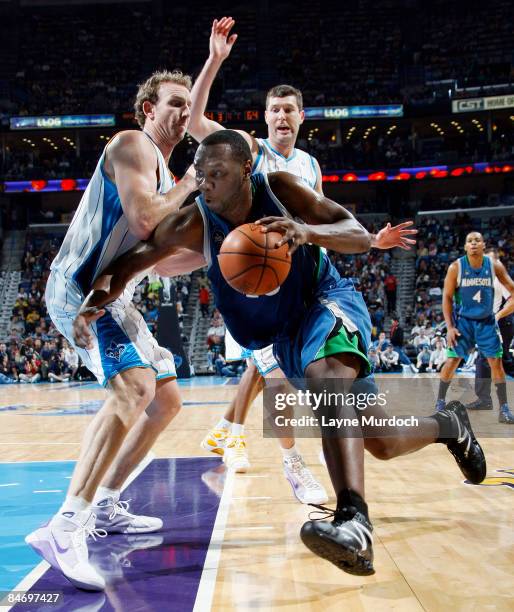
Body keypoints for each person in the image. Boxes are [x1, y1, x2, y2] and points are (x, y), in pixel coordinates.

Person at [72, 130, 486, 576]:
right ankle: (448, 425)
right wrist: (94, 300)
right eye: (201, 175)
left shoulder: (280, 189)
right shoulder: (195, 221)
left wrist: (306, 232)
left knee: (328, 379)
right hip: (284, 336)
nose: (205, 184)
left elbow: (357, 235)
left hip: (326, 302)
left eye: (217, 174)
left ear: (246, 172)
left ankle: (353, 522)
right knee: (380, 442)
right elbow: (133, 260)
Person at [189, 18, 417, 503]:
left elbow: (327, 226)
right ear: (265, 118)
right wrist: (214, 61)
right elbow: (195, 122)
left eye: (289, 110)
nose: (281, 117)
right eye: (274, 110)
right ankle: (290, 464)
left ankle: (231, 427)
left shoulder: (309, 165)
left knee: (304, 386)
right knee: (274, 376)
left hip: (297, 284)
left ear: (301, 116)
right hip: (251, 278)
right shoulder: (247, 152)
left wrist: (370, 240)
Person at [25, 69, 202, 592]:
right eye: (174, 103)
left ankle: (104, 503)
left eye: (189, 105)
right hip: (82, 289)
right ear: (147, 108)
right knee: (133, 388)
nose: (183, 113)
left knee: (165, 400)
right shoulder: (132, 145)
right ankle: (65, 527)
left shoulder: (169, 178)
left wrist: (223, 254)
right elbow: (145, 219)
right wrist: (194, 182)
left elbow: (165, 263)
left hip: (114, 291)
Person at [435, 232, 514, 423]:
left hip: (487, 322)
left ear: (483, 245)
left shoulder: (494, 266)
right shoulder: (456, 267)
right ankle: (439, 402)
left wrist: (498, 315)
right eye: (469, 240)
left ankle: (504, 409)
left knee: (496, 364)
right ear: (465, 246)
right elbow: (446, 298)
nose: (473, 243)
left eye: (477, 240)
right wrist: (450, 327)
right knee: (452, 362)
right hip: (464, 322)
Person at [466, 247, 514, 410]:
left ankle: (492, 402)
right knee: (482, 361)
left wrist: (498, 316)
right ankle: (484, 399)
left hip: (501, 324)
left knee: (506, 363)